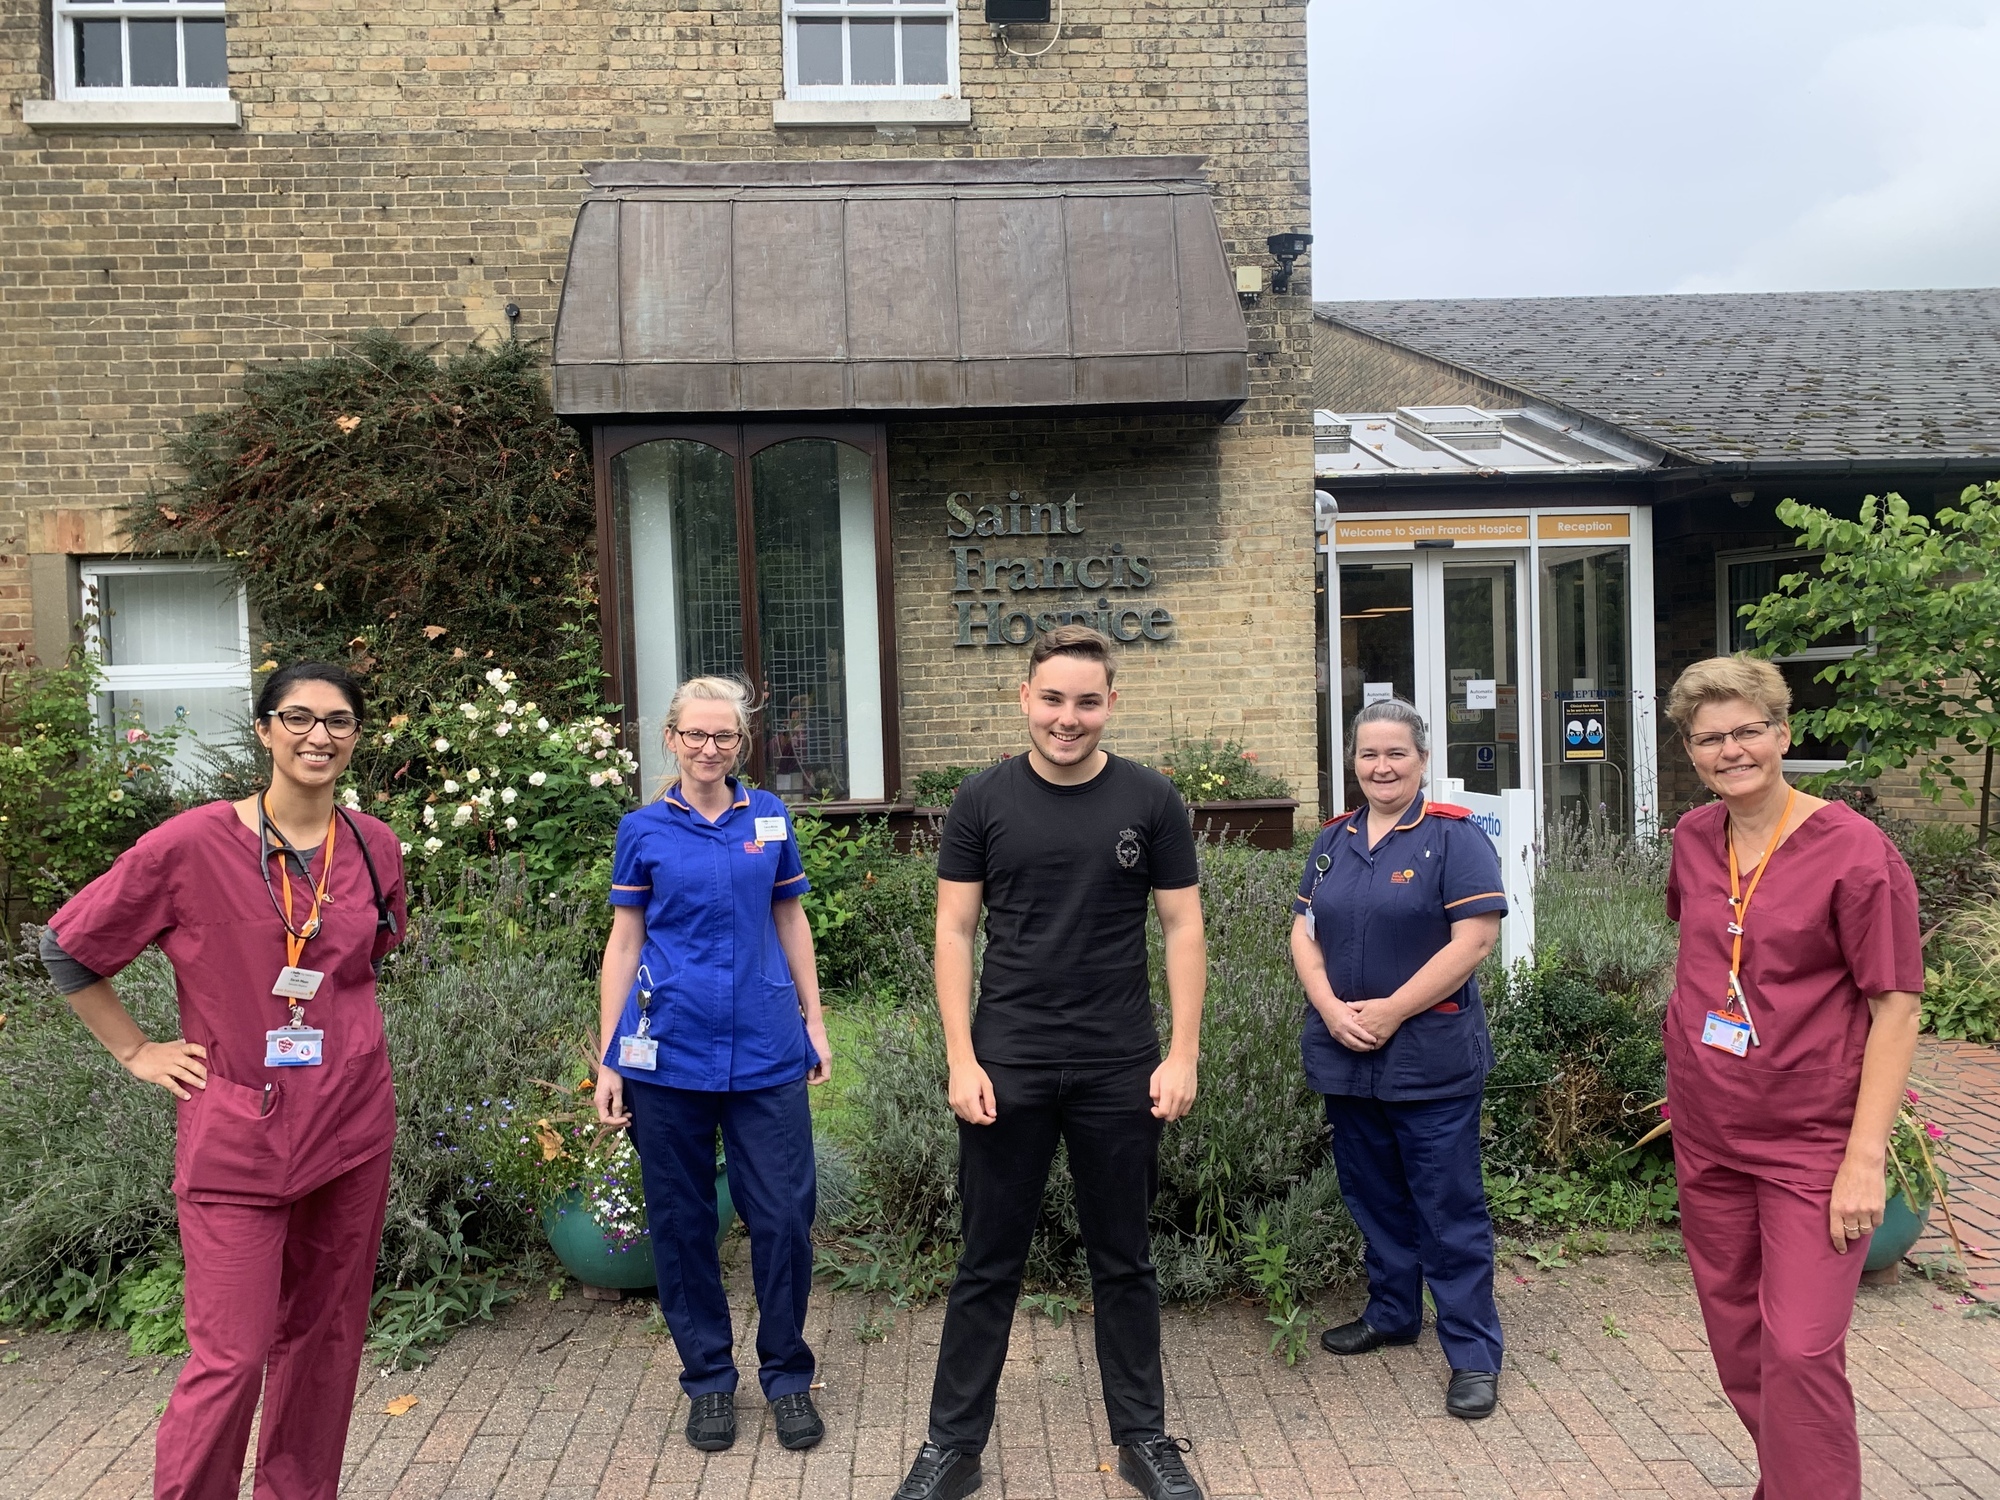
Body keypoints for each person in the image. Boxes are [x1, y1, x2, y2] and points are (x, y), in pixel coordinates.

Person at [44, 662, 406, 1500]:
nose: (319, 736)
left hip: (351, 1127)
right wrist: (138, 1051)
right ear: (265, 729)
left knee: (325, 1340)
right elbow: (70, 950)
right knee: (232, 1357)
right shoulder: (192, 843)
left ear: (357, 736)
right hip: (237, 1133)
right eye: (300, 718)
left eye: (340, 721)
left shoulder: (371, 845)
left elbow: (365, 961)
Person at [894, 624, 1208, 1500]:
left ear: (1111, 703)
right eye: (1053, 699)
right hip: (1009, 1063)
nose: (1067, 718)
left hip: (1120, 1065)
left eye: (1086, 701)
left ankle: (1144, 1440)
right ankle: (951, 1449)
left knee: (1125, 1260)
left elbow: (1183, 927)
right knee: (987, 1260)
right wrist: (962, 1058)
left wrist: (1182, 1053)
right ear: (1024, 698)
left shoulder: (1150, 799)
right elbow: (954, 932)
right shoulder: (981, 800)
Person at [1661, 655, 1922, 1500]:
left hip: (1813, 1142)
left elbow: (1895, 1004)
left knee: (1802, 1348)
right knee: (1738, 1343)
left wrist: (1866, 1159)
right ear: (1692, 753)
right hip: (1710, 1134)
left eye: (1747, 731)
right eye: (1710, 739)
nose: (1731, 750)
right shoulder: (1694, 839)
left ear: (1782, 734)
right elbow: (1705, 956)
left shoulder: (1854, 850)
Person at [594, 676, 833, 1455]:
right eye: (694, 735)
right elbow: (625, 943)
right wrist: (608, 1057)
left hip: (766, 1049)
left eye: (723, 737)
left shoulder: (768, 817)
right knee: (682, 1223)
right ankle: (707, 1382)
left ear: (741, 743)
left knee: (785, 1217)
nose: (708, 748)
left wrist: (815, 1021)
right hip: (667, 1055)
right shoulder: (642, 828)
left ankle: (788, 1375)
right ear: (671, 739)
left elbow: (789, 915)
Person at [1288, 697, 1507, 1421]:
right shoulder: (1331, 839)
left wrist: (1390, 1010)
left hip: (1428, 1056)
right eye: (1368, 755)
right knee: (1373, 1195)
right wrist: (1326, 1005)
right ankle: (1391, 1313)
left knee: (1447, 1207)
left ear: (1422, 760)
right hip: (1347, 1053)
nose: (1382, 767)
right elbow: (1304, 932)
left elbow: (1473, 941)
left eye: (1396, 754)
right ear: (1353, 762)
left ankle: (1473, 1353)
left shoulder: (1454, 838)